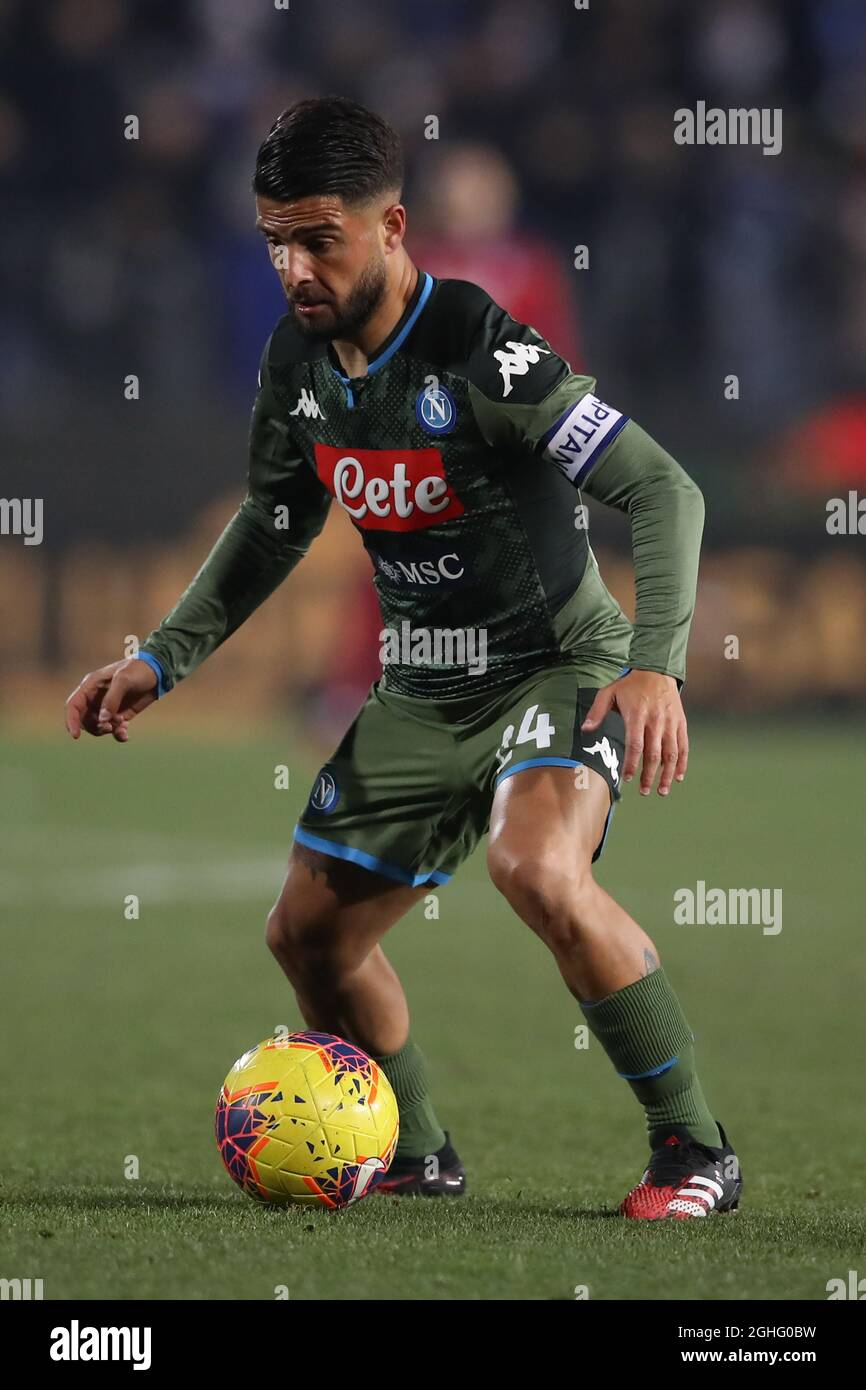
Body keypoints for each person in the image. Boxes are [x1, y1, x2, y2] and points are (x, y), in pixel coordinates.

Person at [65, 97, 741, 1219]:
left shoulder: (481, 345)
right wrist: (164, 657)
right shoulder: (297, 361)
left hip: (553, 664)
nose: (294, 266)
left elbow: (660, 485)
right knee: (307, 937)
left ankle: (691, 1152)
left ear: (392, 225)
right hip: (422, 686)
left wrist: (655, 665)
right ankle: (418, 1153)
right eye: (275, 238)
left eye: (318, 236)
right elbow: (276, 519)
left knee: (536, 869)